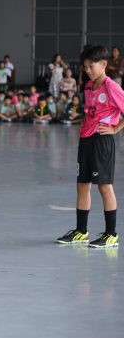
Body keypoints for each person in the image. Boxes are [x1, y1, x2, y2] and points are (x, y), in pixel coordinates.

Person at [57, 45, 124, 248]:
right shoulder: (88, 86)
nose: (87, 70)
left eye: (91, 66)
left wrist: (115, 129)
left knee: (104, 186)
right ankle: (81, 231)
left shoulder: (111, 87)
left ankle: (111, 234)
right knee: (82, 186)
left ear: (103, 64)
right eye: (85, 67)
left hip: (102, 141)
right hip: (86, 140)